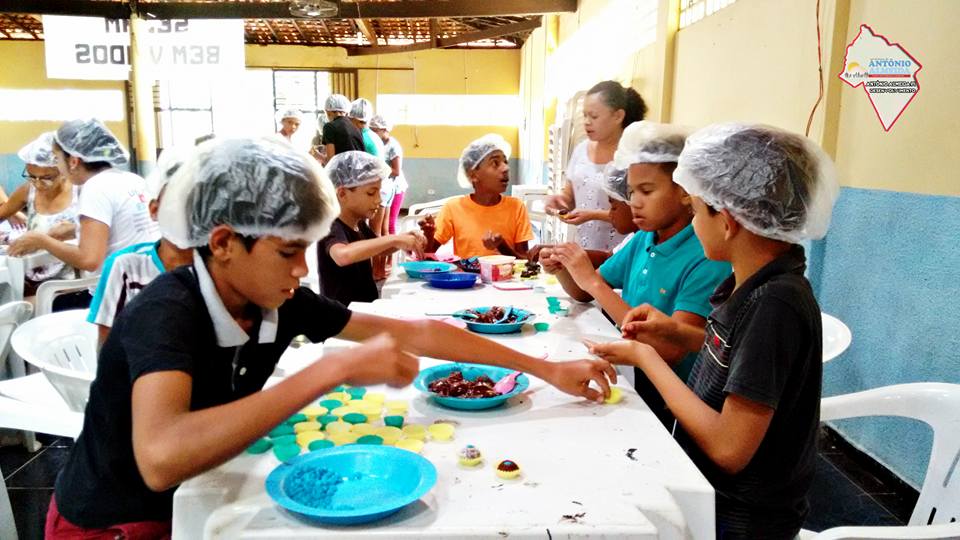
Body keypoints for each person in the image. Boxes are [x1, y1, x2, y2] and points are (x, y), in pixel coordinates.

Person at [46, 136, 616, 536]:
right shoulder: (167, 310)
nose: (302, 270)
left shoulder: (276, 301)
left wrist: (546, 369)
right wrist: (331, 371)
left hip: (194, 495)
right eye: (288, 252)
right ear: (222, 243)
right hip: (112, 520)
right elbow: (161, 457)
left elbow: (419, 333)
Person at [588, 123, 839, 539]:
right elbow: (740, 353)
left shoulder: (774, 304)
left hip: (738, 517)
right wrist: (676, 332)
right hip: (704, 483)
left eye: (696, 210)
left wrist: (646, 358)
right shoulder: (752, 282)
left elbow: (728, 449)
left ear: (727, 220)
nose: (693, 223)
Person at [541, 121, 731, 425]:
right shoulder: (644, 238)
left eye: (647, 190)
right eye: (630, 191)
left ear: (685, 192)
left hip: (672, 403)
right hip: (633, 377)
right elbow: (582, 292)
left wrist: (591, 280)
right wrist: (564, 268)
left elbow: (669, 350)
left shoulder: (706, 255)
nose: (634, 203)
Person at [8, 118, 158, 309]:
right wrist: (72, 229)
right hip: (147, 285)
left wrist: (40, 240)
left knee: (25, 308)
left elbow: (89, 260)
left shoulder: (95, 188)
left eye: (57, 159)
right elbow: (121, 226)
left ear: (73, 161)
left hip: (117, 296)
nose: (58, 167)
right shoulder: (132, 180)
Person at [86, 147, 194, 343]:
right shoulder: (126, 267)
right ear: (154, 210)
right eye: (176, 204)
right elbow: (107, 344)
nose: (186, 215)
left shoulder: (216, 267)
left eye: (196, 205)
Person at [546, 81, 647, 252]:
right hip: (586, 249)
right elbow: (570, 195)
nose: (586, 122)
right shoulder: (580, 150)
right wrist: (560, 202)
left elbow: (637, 212)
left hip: (623, 251)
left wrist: (592, 215)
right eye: (584, 116)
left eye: (593, 116)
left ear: (618, 116)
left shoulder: (634, 156)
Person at [318, 151, 425, 306]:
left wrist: (404, 239)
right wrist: (394, 239)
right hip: (342, 314)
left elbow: (380, 249)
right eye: (371, 193)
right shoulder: (332, 225)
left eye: (379, 192)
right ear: (342, 194)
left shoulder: (359, 223)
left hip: (362, 307)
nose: (379, 200)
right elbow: (343, 255)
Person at [419, 134, 533, 260]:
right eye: (495, 163)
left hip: (507, 273)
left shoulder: (516, 207)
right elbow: (427, 255)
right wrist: (429, 235)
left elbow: (524, 260)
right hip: (466, 273)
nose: (506, 168)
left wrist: (502, 246)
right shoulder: (454, 208)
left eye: (505, 162)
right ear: (473, 175)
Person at [0, 132, 80, 293]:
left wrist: (73, 230)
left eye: (46, 178)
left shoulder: (79, 192)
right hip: (31, 274)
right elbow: (3, 212)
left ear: (63, 169)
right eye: (32, 176)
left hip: (70, 280)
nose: (38, 183)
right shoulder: (28, 191)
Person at [531, 164, 637, 270]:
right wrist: (561, 254)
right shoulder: (634, 239)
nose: (609, 214)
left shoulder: (640, 240)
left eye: (613, 208)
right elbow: (608, 258)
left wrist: (565, 257)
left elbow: (607, 264)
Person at [369, 115, 409, 235]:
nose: (372, 134)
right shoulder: (376, 143)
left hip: (395, 188)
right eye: (371, 130)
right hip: (384, 186)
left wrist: (377, 168)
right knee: (381, 226)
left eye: (375, 130)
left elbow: (396, 171)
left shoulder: (393, 146)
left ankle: (392, 247)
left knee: (390, 224)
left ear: (385, 129)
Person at [320, 94, 364, 163]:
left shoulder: (329, 127)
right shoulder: (355, 126)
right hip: (359, 168)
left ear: (328, 111)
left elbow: (330, 161)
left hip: (343, 169)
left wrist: (316, 155)